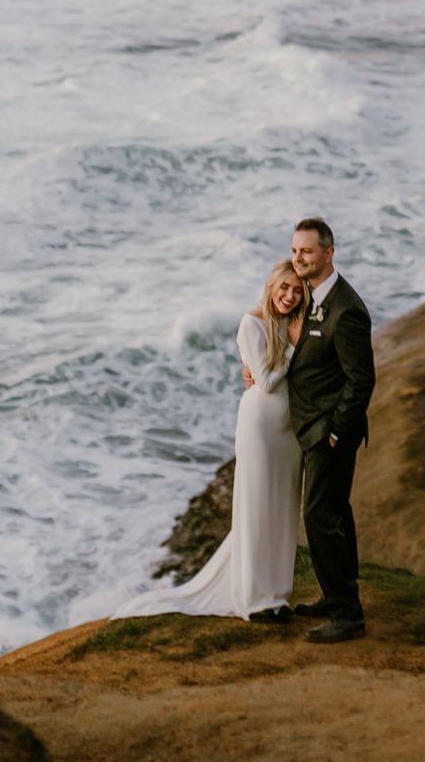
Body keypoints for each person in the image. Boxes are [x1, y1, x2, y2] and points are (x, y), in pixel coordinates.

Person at [111, 260, 306, 622]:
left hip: (288, 432)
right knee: (256, 509)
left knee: (280, 510)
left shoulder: (291, 323)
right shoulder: (252, 323)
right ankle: (253, 600)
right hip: (260, 428)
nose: (289, 296)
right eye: (284, 288)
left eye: (297, 291)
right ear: (271, 286)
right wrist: (293, 347)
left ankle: (277, 594)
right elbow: (264, 380)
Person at [281, 216, 375, 644]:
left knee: (319, 516)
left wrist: (336, 432)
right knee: (335, 512)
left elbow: (361, 380)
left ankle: (348, 614)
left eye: (307, 251)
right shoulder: (312, 297)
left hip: (330, 433)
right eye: (295, 250)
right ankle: (335, 596)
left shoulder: (347, 309)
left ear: (328, 254)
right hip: (315, 428)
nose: (298, 258)